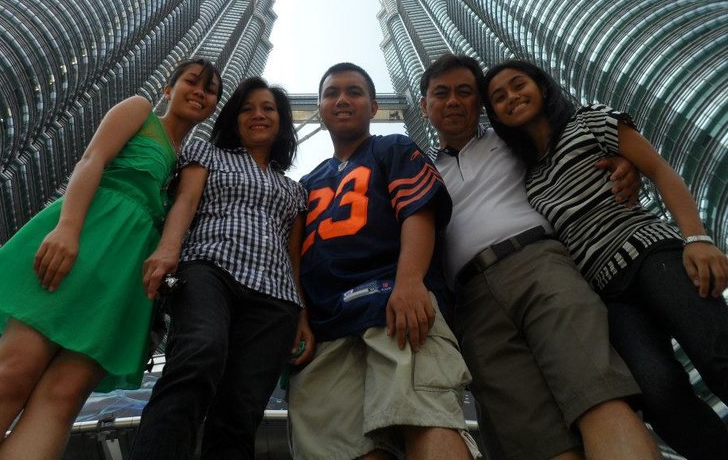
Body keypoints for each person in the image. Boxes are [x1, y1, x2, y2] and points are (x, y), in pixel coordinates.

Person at [0, 58, 221, 460]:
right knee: (13, 371)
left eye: (211, 90)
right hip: (89, 236)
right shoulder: (139, 111)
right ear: (169, 89)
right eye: (192, 81)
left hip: (129, 276)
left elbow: (182, 217)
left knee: (63, 398)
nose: (201, 92)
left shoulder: (194, 160)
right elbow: (92, 160)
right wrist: (67, 228)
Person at [481, 58, 728, 460]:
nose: (511, 97)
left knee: (717, 352)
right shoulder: (526, 178)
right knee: (658, 393)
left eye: (518, 84)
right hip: (604, 293)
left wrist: (697, 238)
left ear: (541, 87)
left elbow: (660, 169)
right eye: (498, 98)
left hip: (648, 253)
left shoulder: (590, 120)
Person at [420, 53, 663, 460]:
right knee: (531, 436)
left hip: (541, 265)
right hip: (472, 304)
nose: (454, 101)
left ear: (480, 103)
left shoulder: (512, 140)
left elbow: (576, 150)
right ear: (425, 105)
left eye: (465, 92)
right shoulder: (417, 169)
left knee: (595, 391)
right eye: (441, 94)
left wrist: (624, 162)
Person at [288, 62, 479, 460]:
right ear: (320, 109)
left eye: (354, 92)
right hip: (327, 326)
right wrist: (301, 316)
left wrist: (411, 281)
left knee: (425, 421)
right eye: (331, 93)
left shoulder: (393, 147)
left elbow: (418, 212)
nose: (342, 99)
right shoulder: (306, 185)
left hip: (394, 307)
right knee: (344, 449)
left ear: (374, 107)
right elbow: (295, 255)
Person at [128, 77, 311, 460]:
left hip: (276, 297)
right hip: (209, 268)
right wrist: (167, 250)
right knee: (199, 354)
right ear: (234, 118)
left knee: (242, 407)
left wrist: (302, 315)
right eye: (247, 108)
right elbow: (185, 204)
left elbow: (293, 254)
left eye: (268, 108)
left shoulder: (295, 190)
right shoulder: (207, 153)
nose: (258, 115)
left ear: (281, 122)